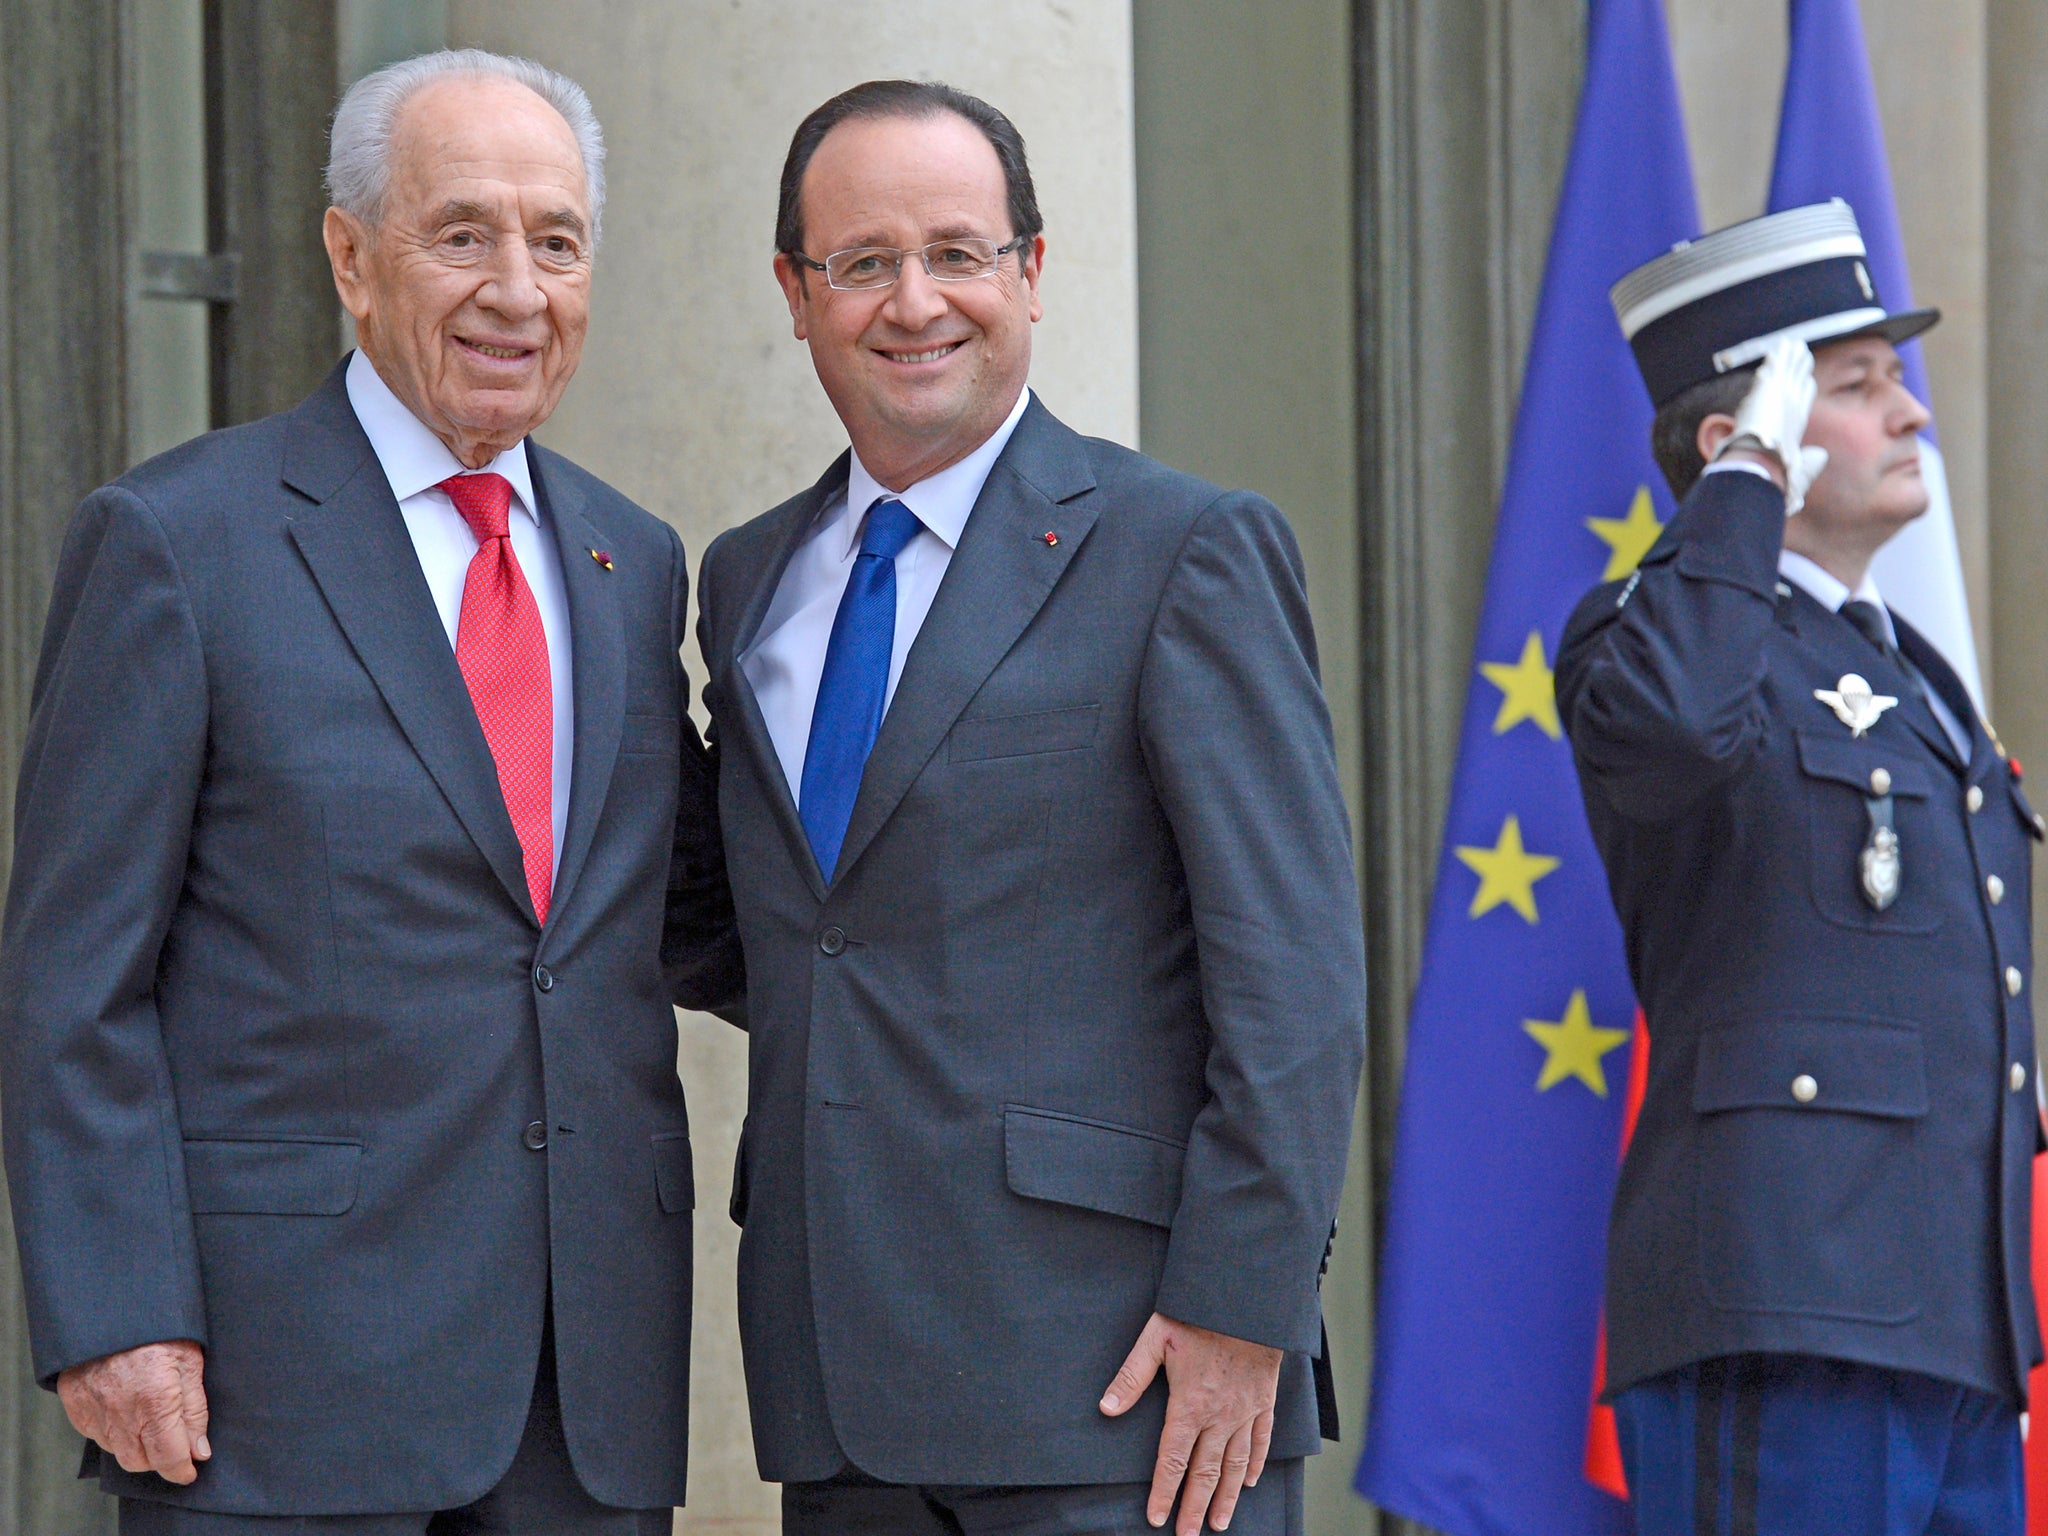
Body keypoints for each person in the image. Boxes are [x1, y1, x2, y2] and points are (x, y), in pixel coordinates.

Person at [0, 48, 739, 1535]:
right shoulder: (178, 542)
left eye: (558, 240)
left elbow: (684, 913)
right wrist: (112, 1309)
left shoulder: (628, 558)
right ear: (350, 256)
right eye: (462, 233)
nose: (517, 290)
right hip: (279, 1390)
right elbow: (74, 977)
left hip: (581, 1391)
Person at [694, 79, 1365, 1536]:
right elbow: (779, 926)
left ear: (1034, 274)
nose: (915, 301)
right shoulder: (747, 582)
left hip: (1128, 1389)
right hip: (841, 1385)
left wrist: (1246, 1311)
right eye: (864, 263)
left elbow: (1294, 983)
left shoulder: (1182, 550)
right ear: (796, 296)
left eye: (960, 253)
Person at [1557, 200, 2040, 1534]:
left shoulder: (1910, 672)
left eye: (1902, 383)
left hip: (1950, 1322)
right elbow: (1669, 735)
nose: (1913, 415)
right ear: (1741, 438)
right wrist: (1747, 479)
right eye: (1857, 384)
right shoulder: (1654, 638)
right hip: (1787, 1305)